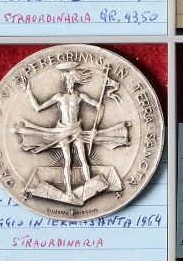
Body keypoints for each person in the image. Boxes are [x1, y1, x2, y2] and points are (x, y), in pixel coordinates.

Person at [13, 64, 128, 202]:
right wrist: (28, 91)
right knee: (68, 160)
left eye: (72, 80)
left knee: (83, 159)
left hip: (77, 130)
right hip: (63, 131)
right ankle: (68, 191)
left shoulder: (80, 96)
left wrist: (96, 127)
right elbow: (38, 108)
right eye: (68, 79)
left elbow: (100, 107)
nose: (70, 82)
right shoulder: (59, 97)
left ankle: (89, 186)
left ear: (75, 81)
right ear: (65, 80)